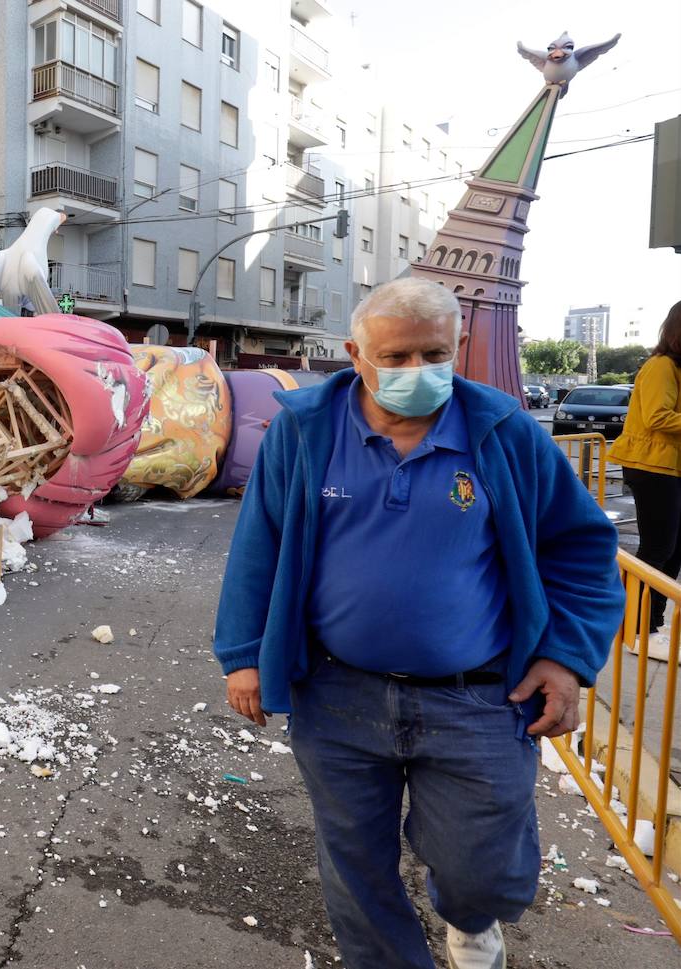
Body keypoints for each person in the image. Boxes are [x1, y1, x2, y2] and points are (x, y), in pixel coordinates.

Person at [213, 278, 623, 969]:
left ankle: (469, 916)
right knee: (356, 872)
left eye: (433, 353)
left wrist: (565, 657)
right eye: (395, 357)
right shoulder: (305, 429)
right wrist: (245, 653)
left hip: (479, 699)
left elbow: (581, 546)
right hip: (339, 696)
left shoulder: (504, 433)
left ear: (457, 347)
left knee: (482, 867)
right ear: (355, 353)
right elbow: (261, 542)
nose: (416, 372)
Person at [607, 300, 681, 653]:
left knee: (672, 550)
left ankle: (651, 625)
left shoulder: (675, 368)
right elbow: (657, 418)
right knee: (658, 549)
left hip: (668, 467)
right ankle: (633, 627)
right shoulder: (661, 366)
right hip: (652, 466)